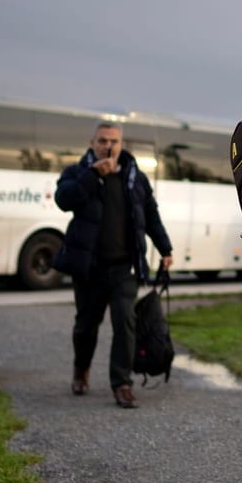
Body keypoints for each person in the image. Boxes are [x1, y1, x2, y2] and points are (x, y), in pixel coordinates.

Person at [54, 121, 173, 409]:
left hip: (123, 268)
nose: (109, 146)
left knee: (125, 323)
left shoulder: (135, 177)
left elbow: (151, 216)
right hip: (89, 268)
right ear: (92, 142)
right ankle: (81, 370)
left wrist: (165, 248)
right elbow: (63, 199)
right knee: (85, 326)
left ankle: (122, 383)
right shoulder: (77, 172)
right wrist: (92, 175)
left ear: (121, 145)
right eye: (103, 140)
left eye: (114, 141)